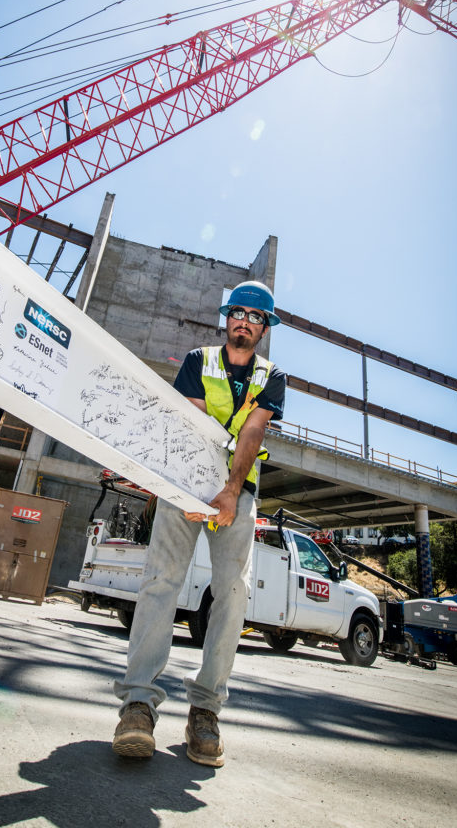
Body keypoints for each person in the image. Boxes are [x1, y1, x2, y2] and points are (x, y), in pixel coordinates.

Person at [112, 280, 285, 767]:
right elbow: (192, 427)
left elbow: (252, 432)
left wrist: (229, 493)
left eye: (256, 316)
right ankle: (138, 705)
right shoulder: (198, 361)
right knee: (161, 582)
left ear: (264, 327)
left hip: (238, 490)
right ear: (227, 317)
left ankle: (206, 710)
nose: (245, 321)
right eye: (239, 313)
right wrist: (193, 489)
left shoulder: (272, 377)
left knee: (232, 593)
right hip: (185, 480)